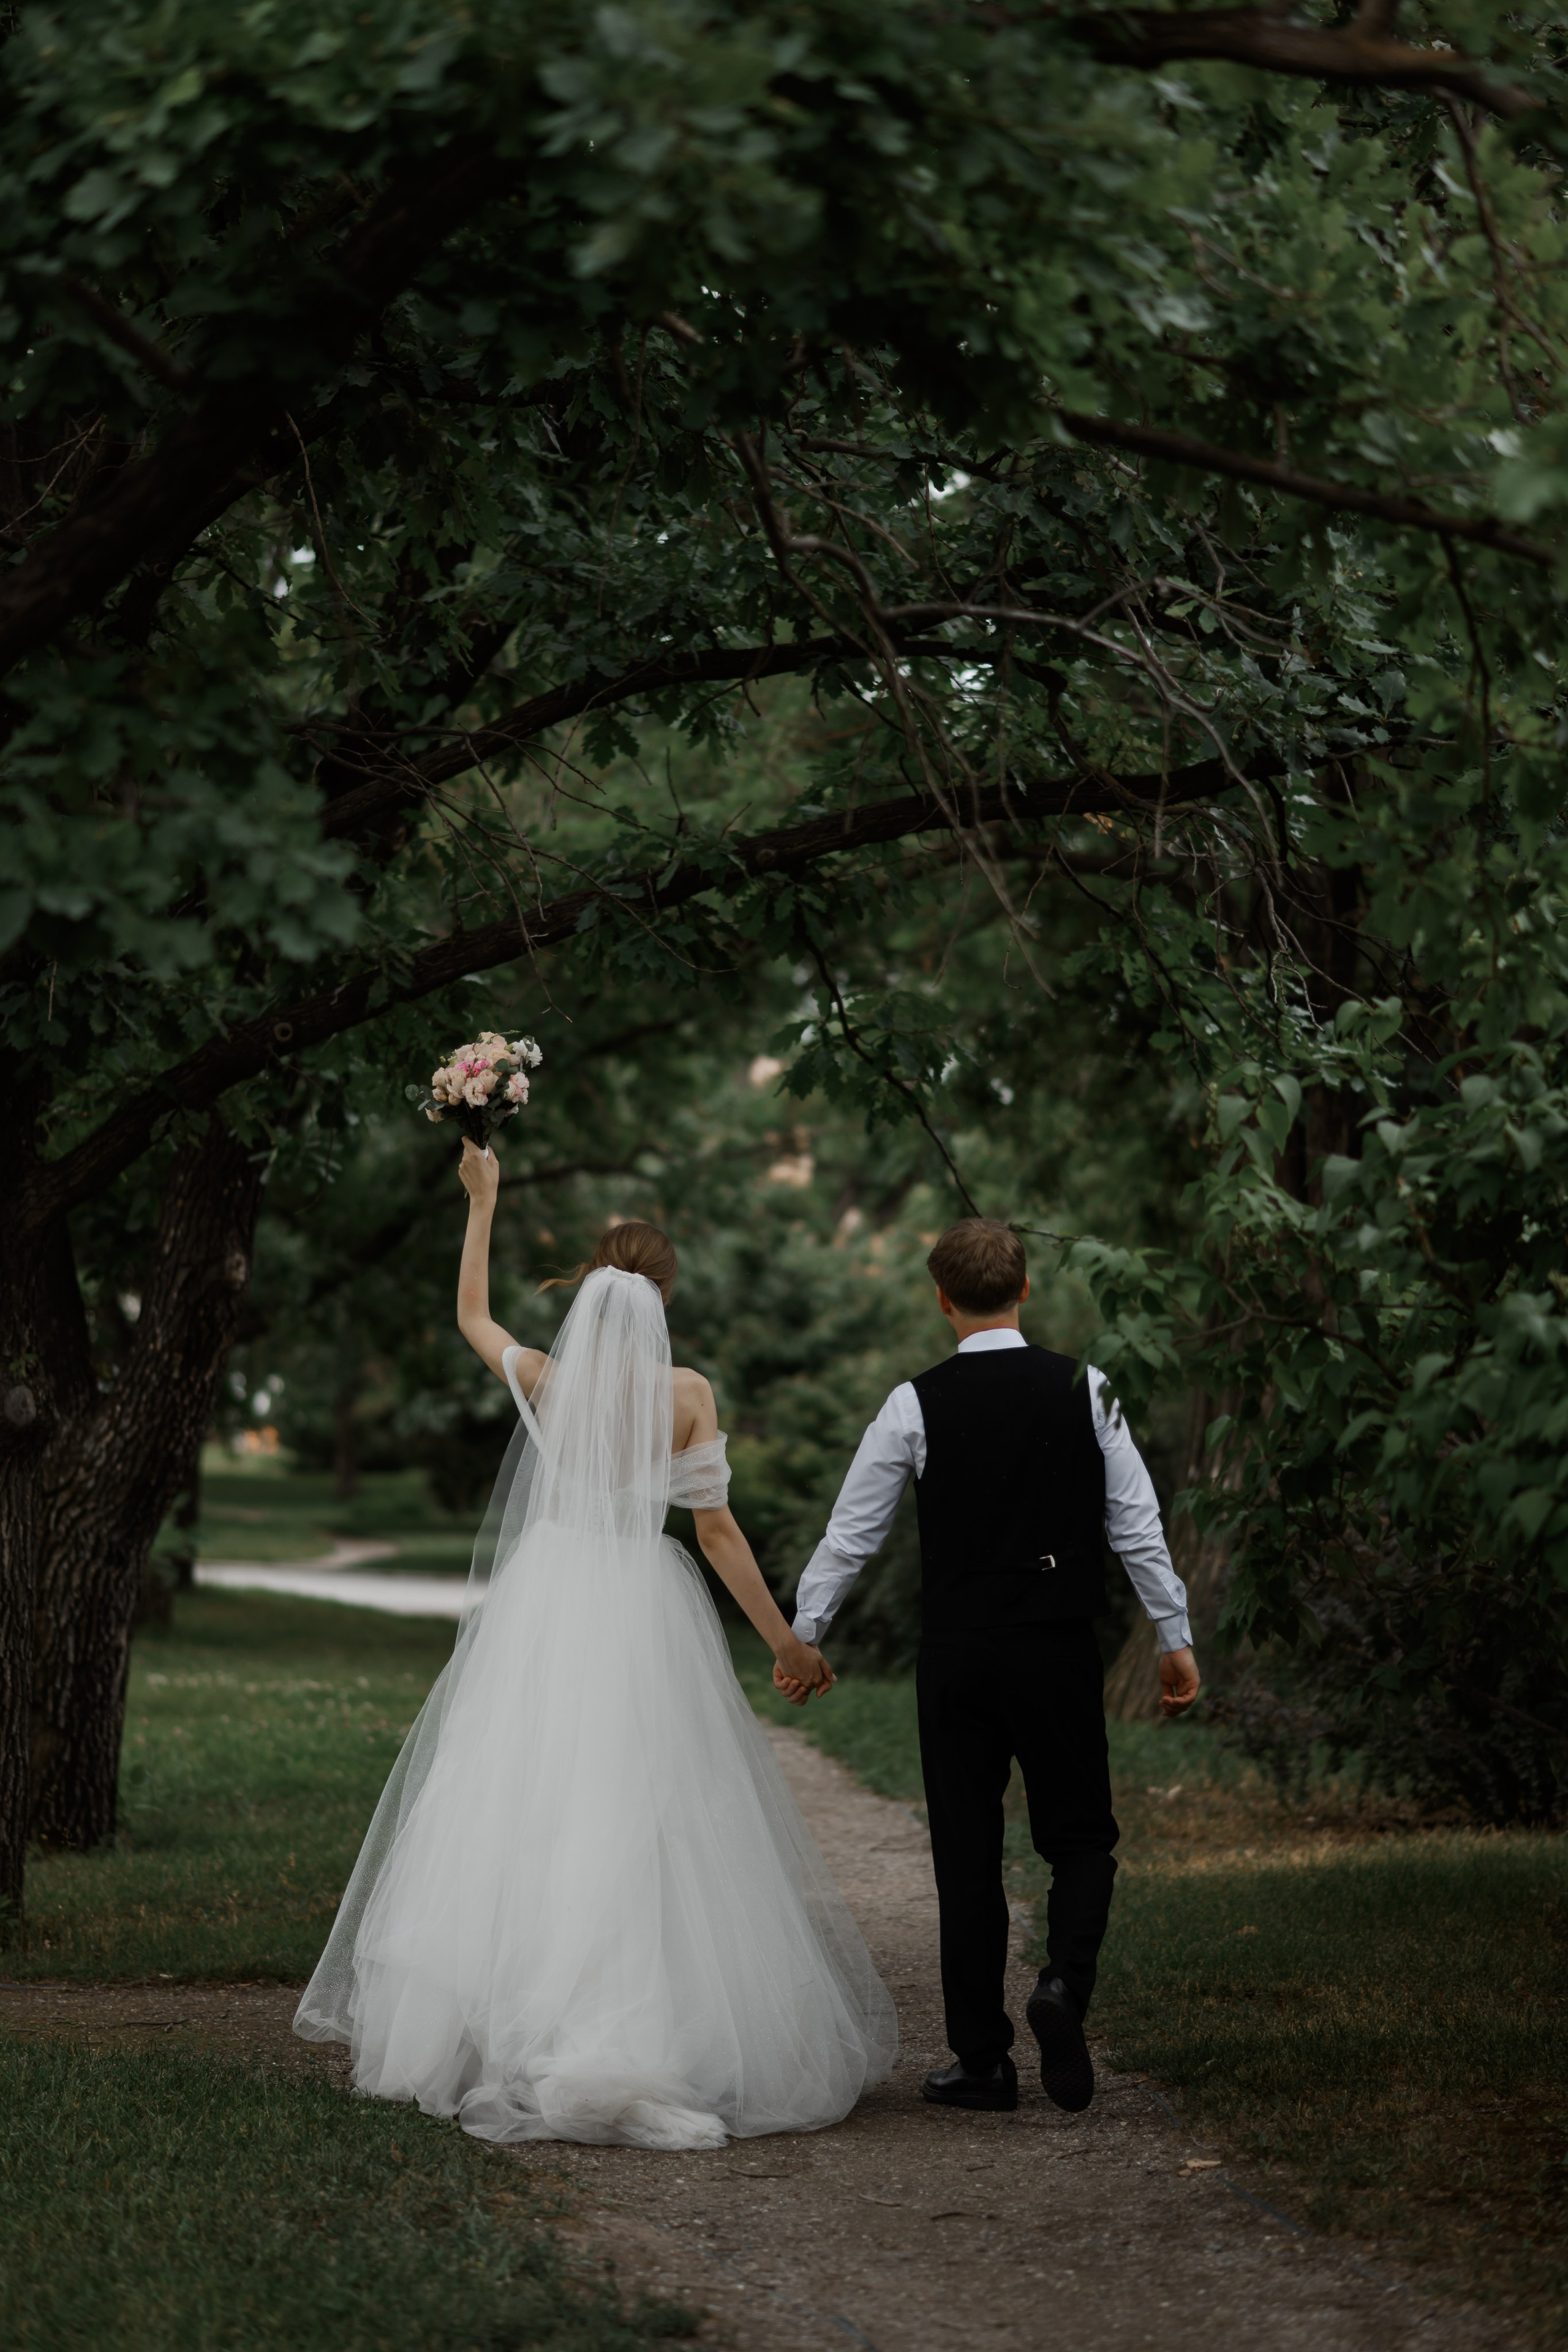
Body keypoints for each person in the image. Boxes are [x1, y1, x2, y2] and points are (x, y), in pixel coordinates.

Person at [294, 1138, 897, 2149]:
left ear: (590, 1288)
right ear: (662, 1297)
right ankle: (635, 2018)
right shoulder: (688, 1394)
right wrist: (787, 1644)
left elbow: (471, 1317)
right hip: (639, 1604)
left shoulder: (546, 1375)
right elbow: (715, 1535)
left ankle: (506, 2027)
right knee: (643, 1809)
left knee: (527, 1799)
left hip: (550, 1597)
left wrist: (482, 1201)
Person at [784, 1216, 1200, 2117]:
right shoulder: (1087, 1388)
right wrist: (1175, 1636)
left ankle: (983, 2061)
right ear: (1025, 1292)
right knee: (1083, 1838)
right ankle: (1064, 1986)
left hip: (961, 1655)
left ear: (942, 1300)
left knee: (966, 1855)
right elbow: (1135, 1523)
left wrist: (806, 1629)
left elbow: (853, 1531)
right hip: (1055, 1649)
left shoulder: (913, 1403)